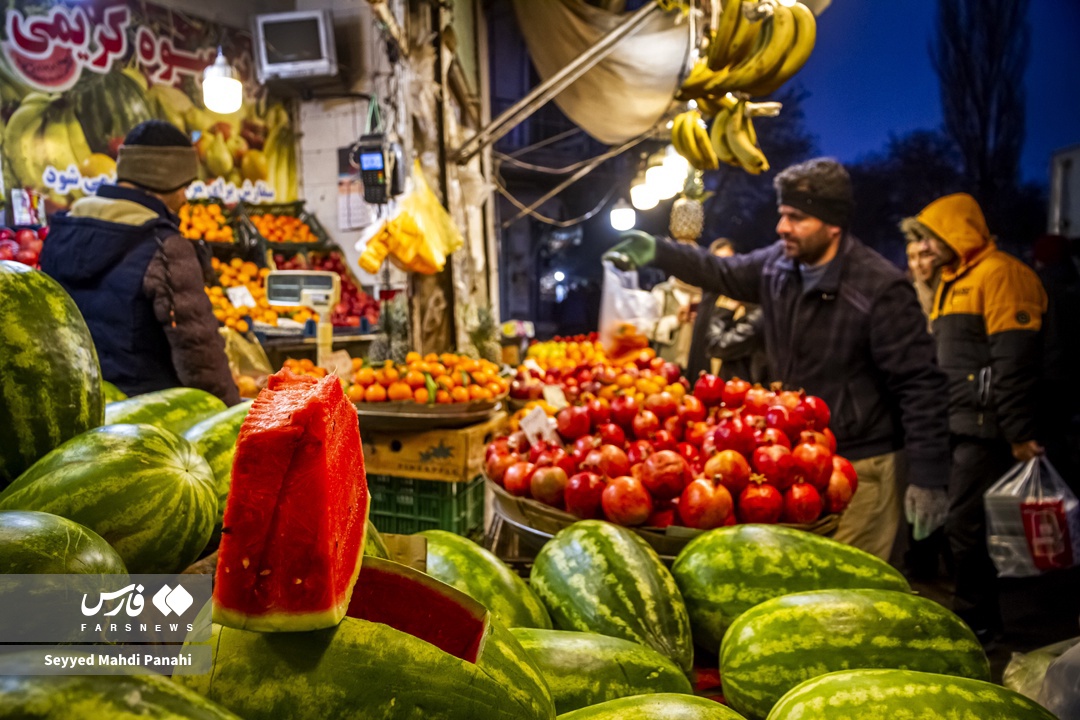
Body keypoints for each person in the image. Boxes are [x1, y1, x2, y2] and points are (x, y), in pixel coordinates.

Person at [606, 158, 951, 561]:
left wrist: (929, 477)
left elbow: (920, 384)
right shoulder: (778, 266)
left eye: (797, 217)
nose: (781, 227)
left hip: (863, 464)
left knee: (848, 583)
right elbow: (722, 270)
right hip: (796, 458)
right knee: (800, 581)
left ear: (833, 224)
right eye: (782, 214)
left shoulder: (879, 288)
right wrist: (659, 250)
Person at [905, 193, 1048, 642]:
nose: (926, 247)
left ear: (957, 232)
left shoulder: (1004, 275)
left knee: (970, 527)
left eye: (931, 237)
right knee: (964, 527)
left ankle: (978, 623)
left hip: (988, 430)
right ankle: (983, 617)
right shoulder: (953, 279)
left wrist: (1020, 432)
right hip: (959, 423)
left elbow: (1015, 360)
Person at [39, 120, 240, 405]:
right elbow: (200, 357)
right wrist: (230, 417)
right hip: (147, 416)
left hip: (76, 405)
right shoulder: (164, 245)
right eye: (184, 186)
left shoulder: (63, 229)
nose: (184, 198)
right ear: (166, 179)